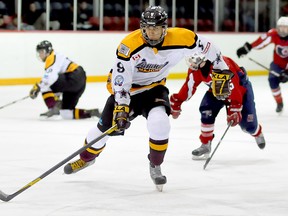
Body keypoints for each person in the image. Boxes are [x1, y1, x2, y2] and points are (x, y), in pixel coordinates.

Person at [63, 5, 230, 191]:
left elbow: (210, 49)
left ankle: (155, 165)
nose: (151, 32)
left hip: (155, 88)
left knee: (160, 123)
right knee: (101, 131)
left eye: (156, 27)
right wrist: (121, 108)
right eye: (148, 27)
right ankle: (86, 159)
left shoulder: (184, 38)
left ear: (164, 28)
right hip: (128, 90)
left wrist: (221, 68)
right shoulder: (128, 46)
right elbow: (121, 81)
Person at [170, 54, 266, 160]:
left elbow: (235, 88)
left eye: (193, 61)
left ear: (201, 58)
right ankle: (205, 144)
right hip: (216, 91)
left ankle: (257, 132)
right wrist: (178, 101)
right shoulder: (196, 69)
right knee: (206, 110)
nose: (191, 64)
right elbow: (189, 86)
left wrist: (234, 110)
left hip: (241, 90)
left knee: (248, 126)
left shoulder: (222, 65)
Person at [29, 40, 101, 119]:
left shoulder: (51, 57)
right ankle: (91, 113)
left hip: (73, 76)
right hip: (79, 80)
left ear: (48, 51)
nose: (40, 54)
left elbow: (50, 79)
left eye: (41, 51)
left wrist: (37, 87)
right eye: (39, 52)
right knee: (65, 113)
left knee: (45, 84)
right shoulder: (56, 57)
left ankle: (53, 108)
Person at [236, 16, 288, 113]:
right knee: (272, 80)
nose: (282, 29)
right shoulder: (274, 34)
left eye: (285, 27)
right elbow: (261, 41)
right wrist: (248, 48)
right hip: (278, 64)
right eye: (280, 27)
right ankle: (279, 103)